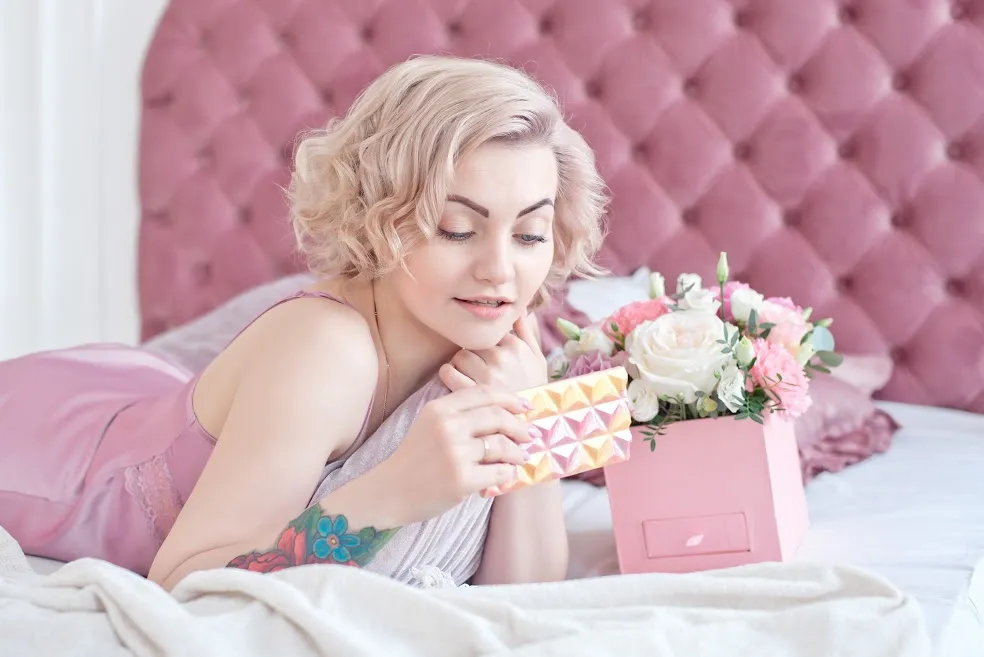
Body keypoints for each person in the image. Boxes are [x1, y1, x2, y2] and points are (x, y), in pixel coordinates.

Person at [0, 55, 608, 591]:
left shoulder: (510, 346)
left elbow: (527, 591)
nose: (500, 270)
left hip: (157, 388)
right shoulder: (326, 350)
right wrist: (393, 493)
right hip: (55, 450)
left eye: (530, 234)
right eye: (456, 229)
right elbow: (186, 585)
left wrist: (534, 421)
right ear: (379, 218)